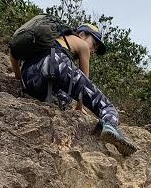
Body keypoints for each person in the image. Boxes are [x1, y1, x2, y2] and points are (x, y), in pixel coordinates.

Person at [9, 19, 137, 156]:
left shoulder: (45, 41)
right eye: (94, 44)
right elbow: (84, 83)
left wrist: (18, 79)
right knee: (105, 106)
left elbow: (13, 53)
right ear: (82, 34)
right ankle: (110, 123)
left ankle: (54, 100)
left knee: (64, 98)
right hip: (55, 61)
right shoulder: (81, 44)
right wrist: (80, 107)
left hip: (29, 76)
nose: (93, 50)